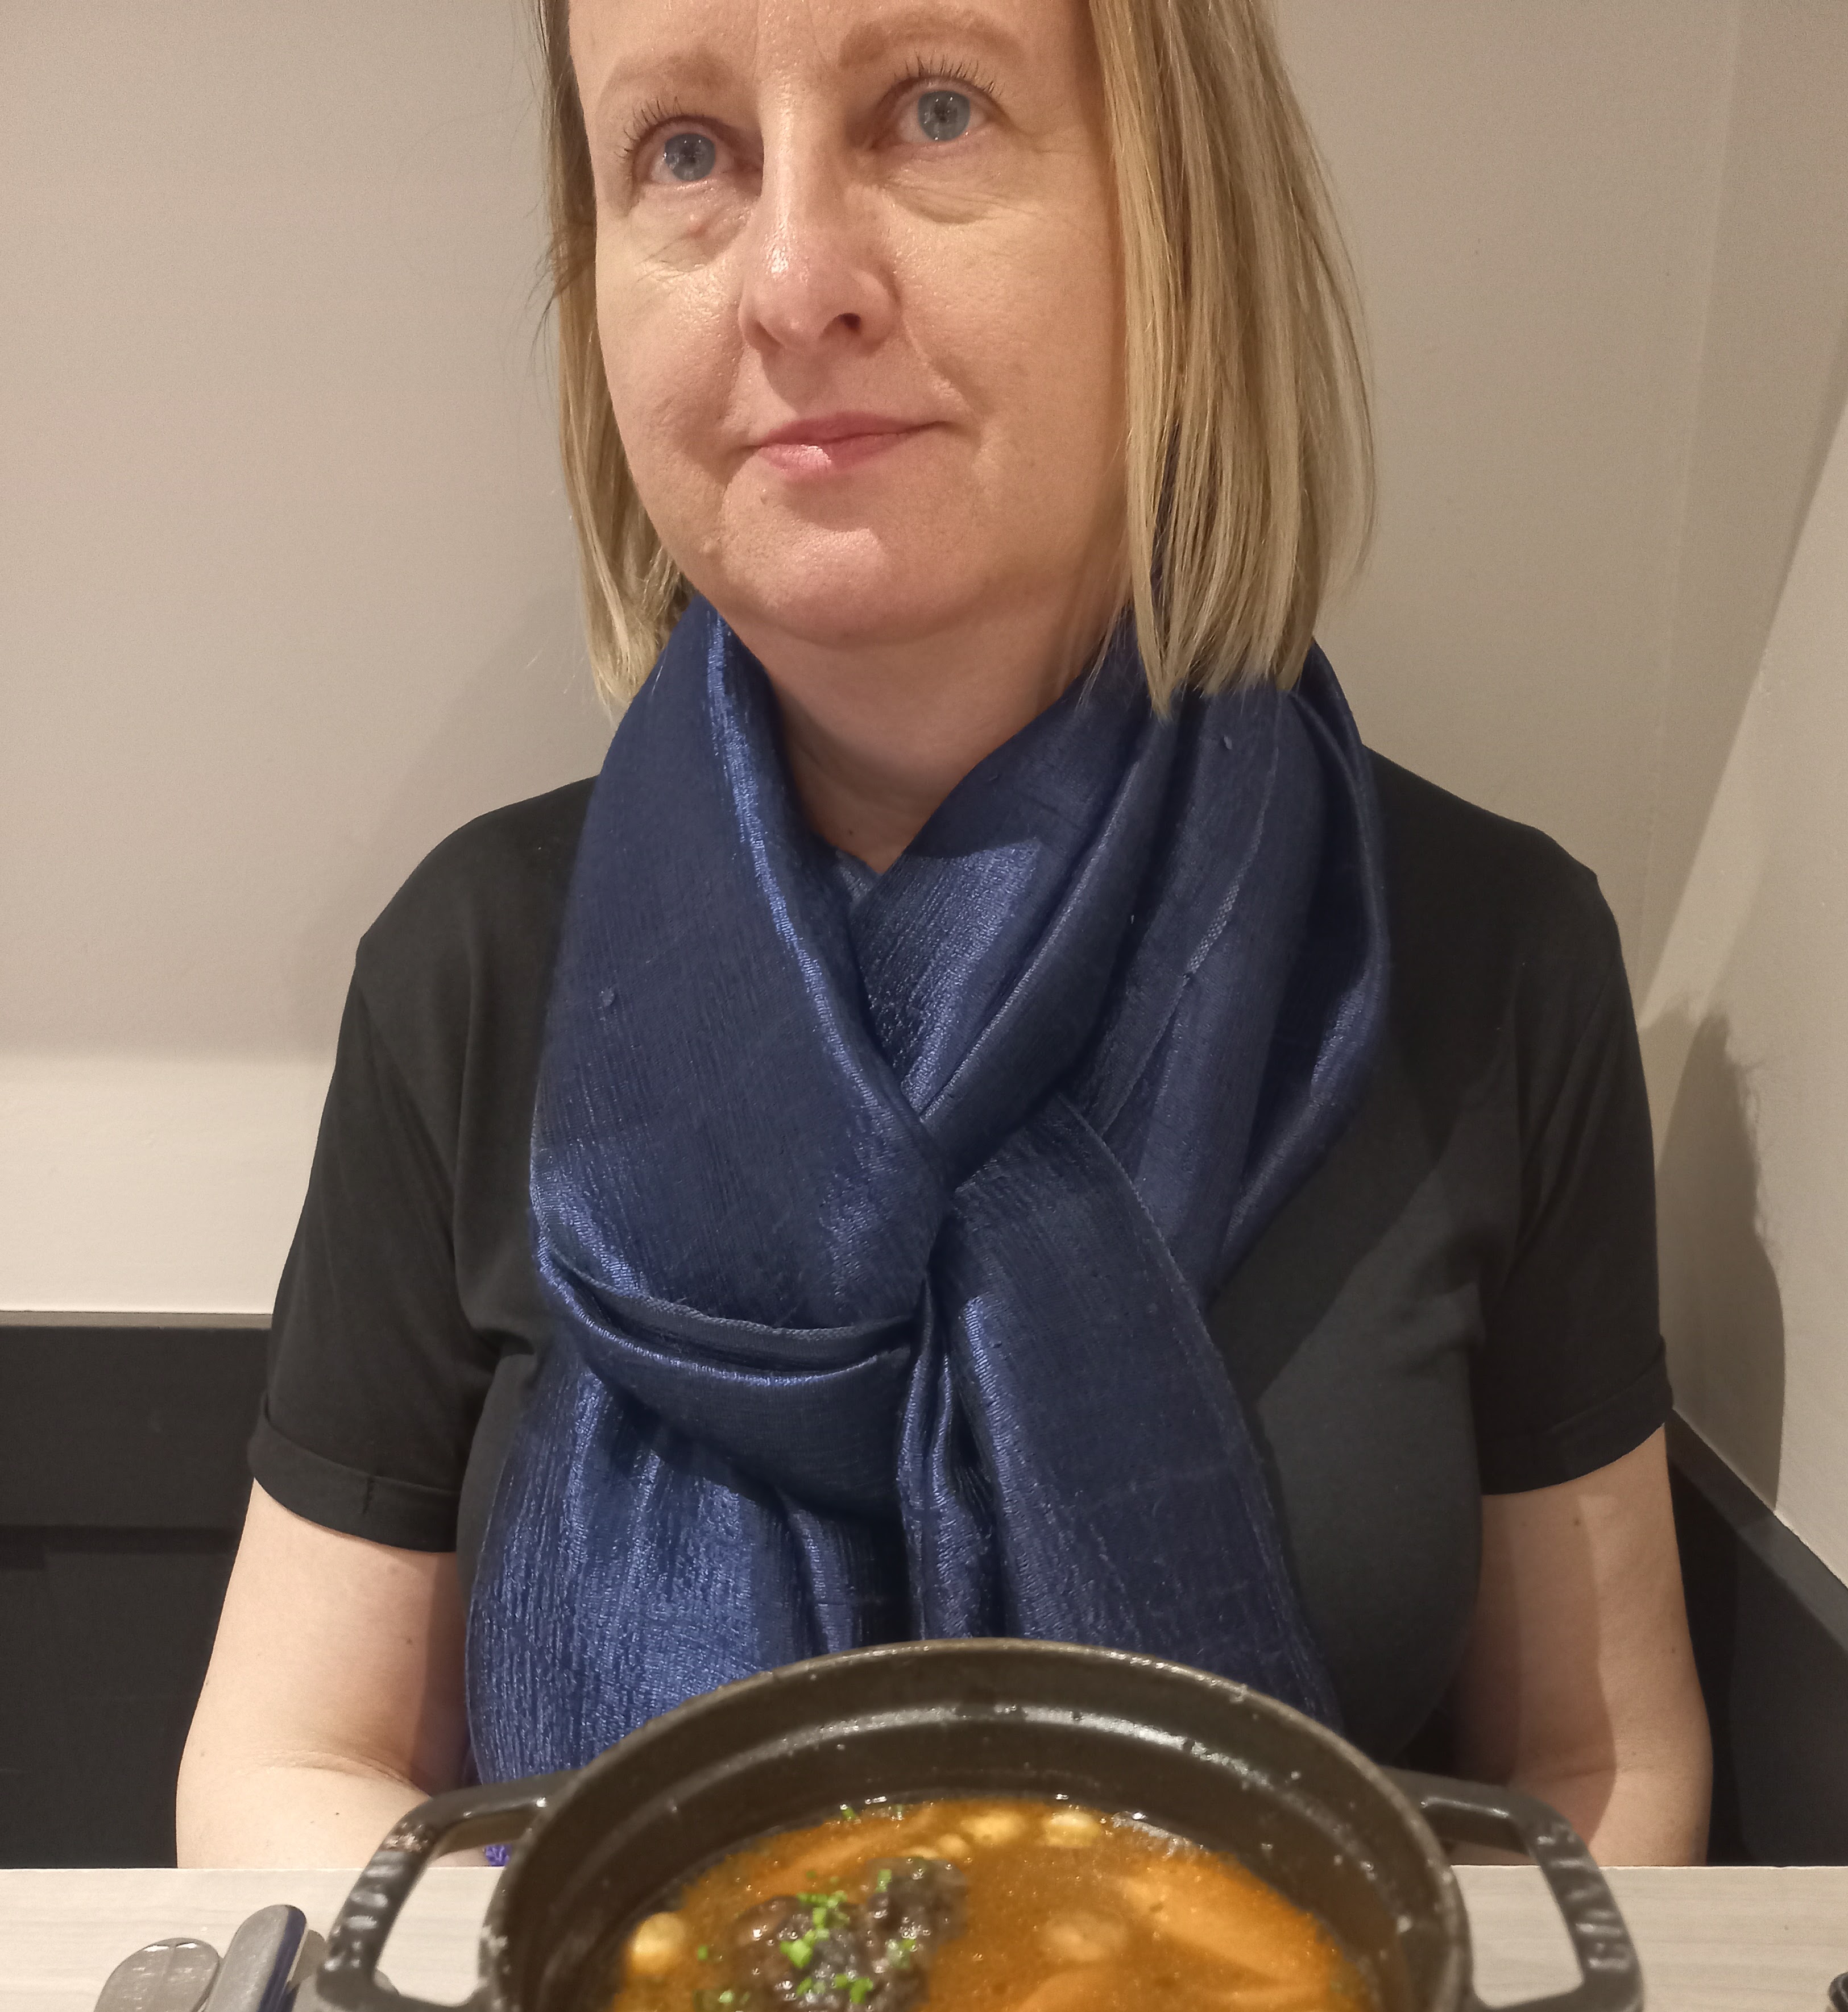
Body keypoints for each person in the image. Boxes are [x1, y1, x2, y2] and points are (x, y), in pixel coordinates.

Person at [177, 0, 1710, 1868]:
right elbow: (289, 1760)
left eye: (931, 111)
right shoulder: (476, 967)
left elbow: (1595, 1768)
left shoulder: (1489, 962)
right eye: (684, 152)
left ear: (1177, 215)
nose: (792, 280)